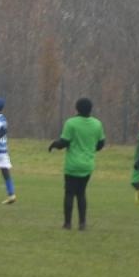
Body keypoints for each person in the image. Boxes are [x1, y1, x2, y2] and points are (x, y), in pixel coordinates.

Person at [49, 97, 105, 231]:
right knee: (81, 193)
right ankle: (82, 223)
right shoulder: (97, 124)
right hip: (88, 164)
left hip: (72, 165)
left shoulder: (71, 123)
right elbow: (101, 144)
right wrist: (90, 149)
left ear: (77, 109)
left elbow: (64, 143)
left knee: (69, 193)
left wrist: (54, 145)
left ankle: (67, 223)